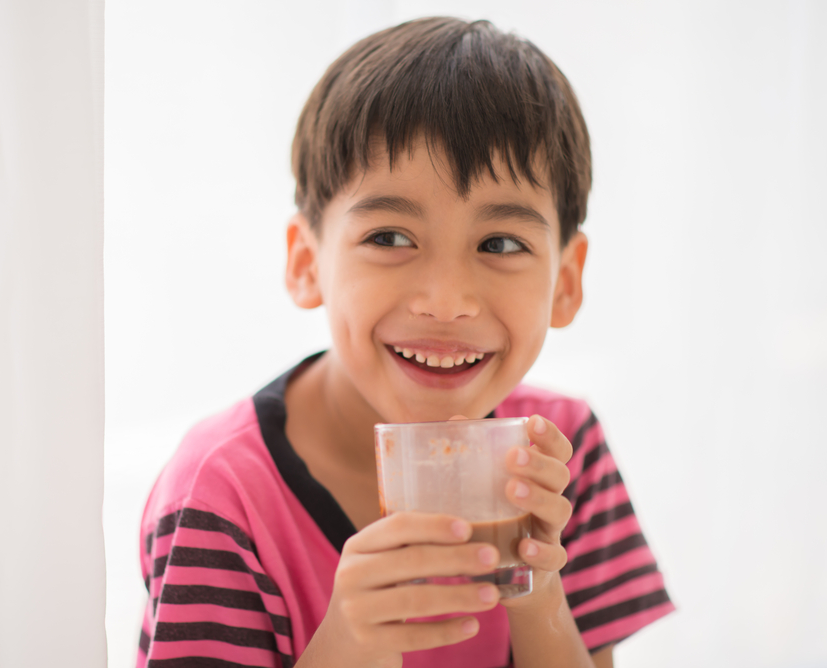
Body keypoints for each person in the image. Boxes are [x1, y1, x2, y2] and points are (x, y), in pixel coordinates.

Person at [136, 17, 673, 668]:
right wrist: (343, 650)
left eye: (500, 244)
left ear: (564, 282)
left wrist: (538, 594)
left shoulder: (563, 455)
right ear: (307, 262)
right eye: (389, 238)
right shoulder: (221, 496)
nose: (446, 302)